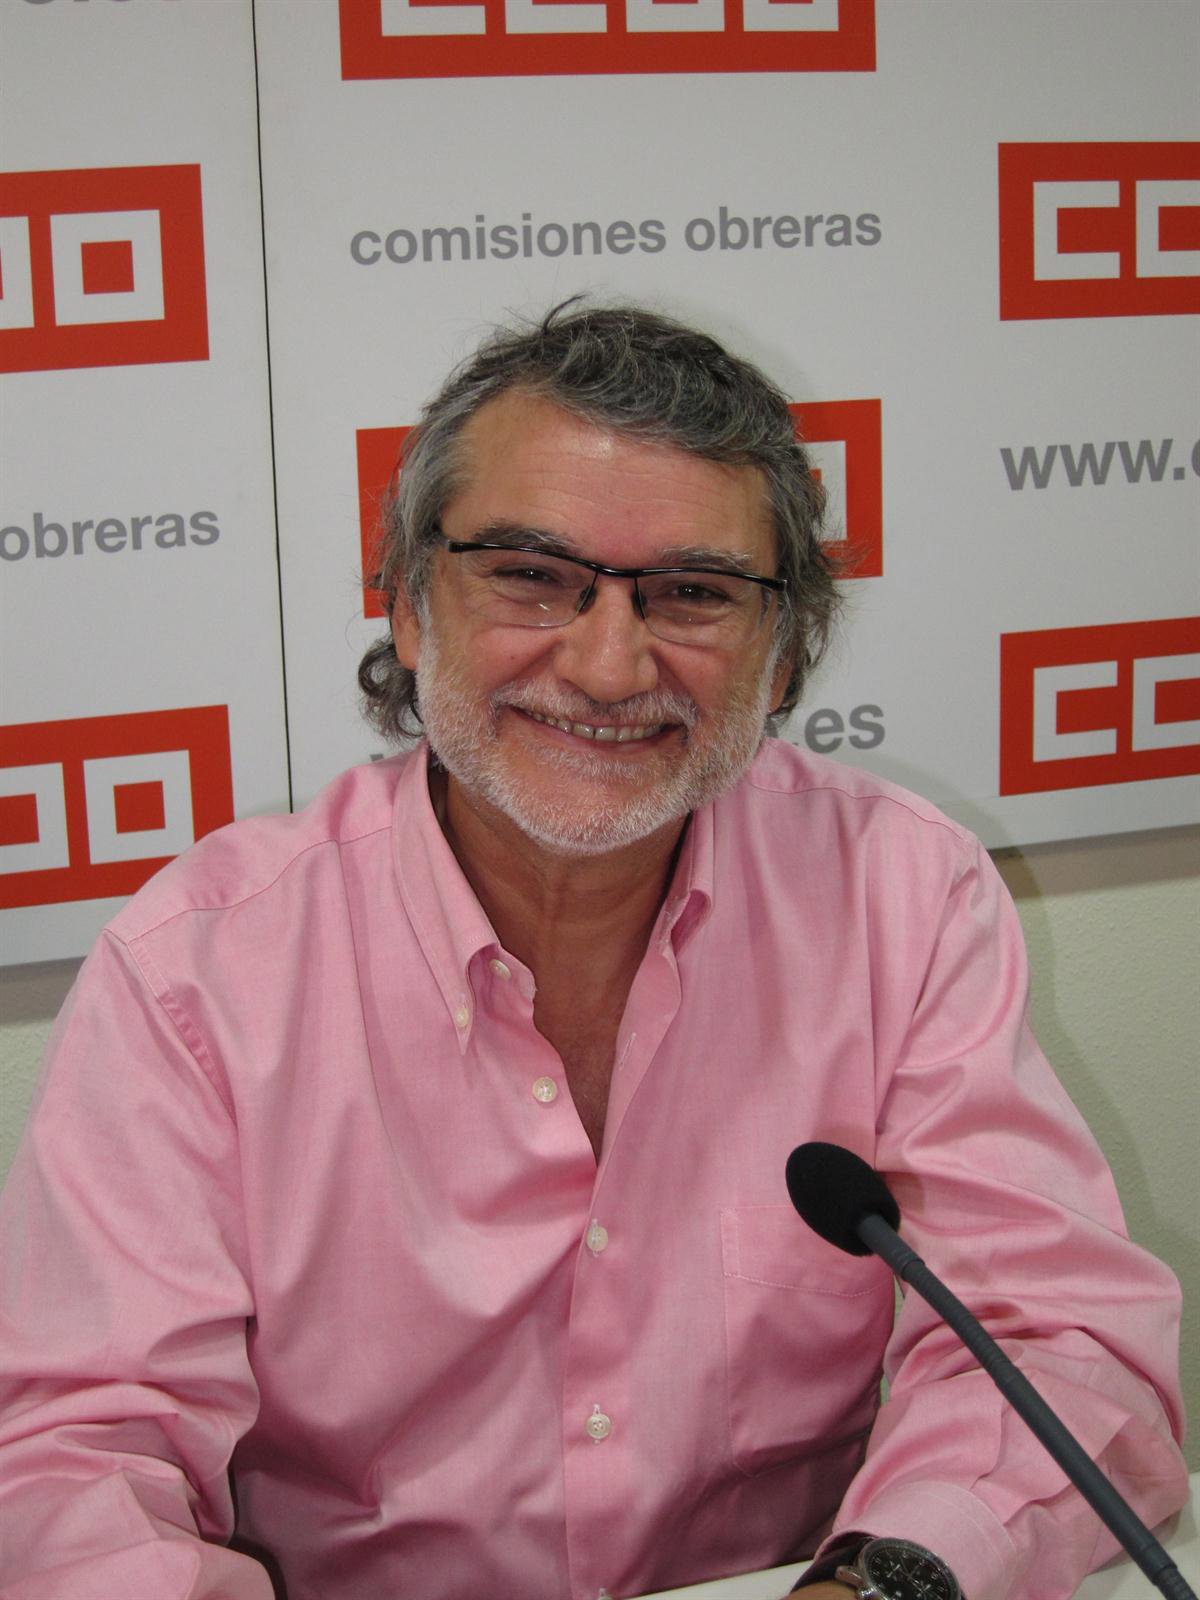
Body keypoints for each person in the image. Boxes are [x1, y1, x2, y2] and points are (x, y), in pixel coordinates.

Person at [0, 302, 1187, 1600]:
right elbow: (72, 1463)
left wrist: (880, 1586)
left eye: (694, 593)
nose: (612, 666)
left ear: (784, 651)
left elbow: (1059, 1340)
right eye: (529, 574)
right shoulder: (196, 976)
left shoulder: (901, 895)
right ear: (408, 607)